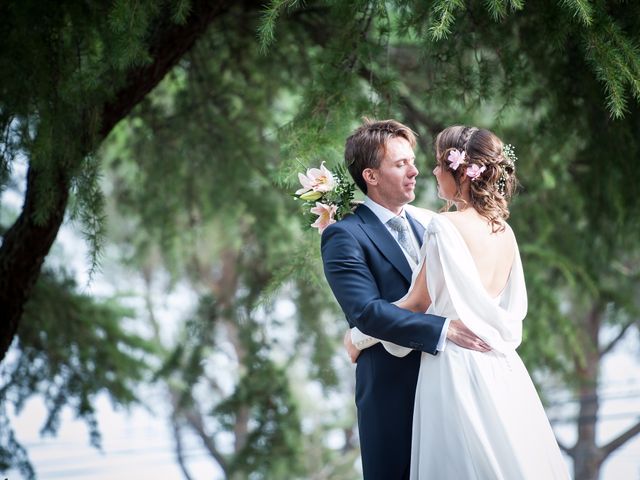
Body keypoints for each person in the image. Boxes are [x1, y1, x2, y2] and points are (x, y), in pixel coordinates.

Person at [350, 125, 570, 479]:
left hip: (453, 367)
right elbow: (509, 310)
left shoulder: (444, 225)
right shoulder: (504, 231)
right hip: (500, 367)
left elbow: (416, 303)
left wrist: (359, 337)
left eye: (439, 163)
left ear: (460, 171)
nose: (432, 171)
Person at [321, 119, 489, 480]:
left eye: (412, 161)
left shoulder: (431, 222)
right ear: (371, 175)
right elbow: (366, 312)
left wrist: (357, 339)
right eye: (400, 164)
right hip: (392, 394)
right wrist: (441, 330)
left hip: (450, 386)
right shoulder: (343, 236)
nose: (415, 171)